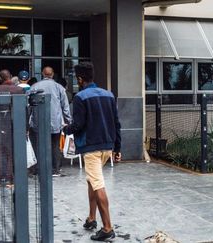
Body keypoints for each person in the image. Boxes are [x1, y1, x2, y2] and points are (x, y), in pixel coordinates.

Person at [63, 62, 121, 241]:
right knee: (92, 181)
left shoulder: (80, 97)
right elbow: (116, 123)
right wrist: (117, 148)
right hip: (107, 146)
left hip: (91, 148)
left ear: (80, 79)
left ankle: (107, 228)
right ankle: (91, 218)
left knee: (97, 184)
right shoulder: (109, 95)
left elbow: (78, 125)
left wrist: (66, 129)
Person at [30, 66, 72, 176]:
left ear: (43, 74)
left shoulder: (34, 87)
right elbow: (65, 106)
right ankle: (55, 170)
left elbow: (29, 106)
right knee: (55, 146)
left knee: (39, 145)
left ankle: (39, 169)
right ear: (52, 75)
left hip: (38, 123)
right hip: (55, 123)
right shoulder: (59, 88)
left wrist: (27, 122)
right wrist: (69, 120)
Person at [0, 70, 24, 185]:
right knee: (13, 150)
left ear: (0, 78)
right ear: (10, 76)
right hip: (16, 124)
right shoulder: (19, 90)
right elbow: (25, 109)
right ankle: (11, 177)